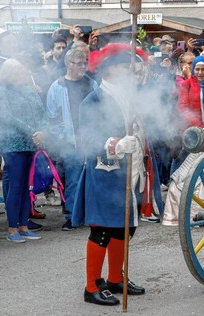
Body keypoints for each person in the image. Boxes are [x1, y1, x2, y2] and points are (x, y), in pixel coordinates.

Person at [73, 43, 150, 306]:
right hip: (107, 173)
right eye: (121, 65)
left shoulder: (131, 96)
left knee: (124, 229)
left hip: (133, 170)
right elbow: (88, 139)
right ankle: (92, 285)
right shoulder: (93, 100)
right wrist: (114, 144)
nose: (128, 70)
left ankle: (115, 278)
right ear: (108, 70)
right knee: (103, 230)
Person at [0, 59, 47, 243]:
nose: (19, 75)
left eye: (20, 71)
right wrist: (32, 131)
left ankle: (24, 225)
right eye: (14, 72)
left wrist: (42, 132)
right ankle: (12, 228)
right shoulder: (1, 93)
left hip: (30, 144)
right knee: (16, 187)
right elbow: (6, 117)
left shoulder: (30, 91)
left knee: (27, 187)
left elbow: (41, 113)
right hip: (13, 145)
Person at [46, 49, 98, 230]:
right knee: (73, 179)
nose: (84, 66)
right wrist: (61, 138)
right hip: (70, 140)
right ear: (68, 64)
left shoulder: (92, 84)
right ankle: (72, 215)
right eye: (79, 63)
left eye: (85, 63)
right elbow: (51, 116)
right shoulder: (57, 86)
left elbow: (101, 110)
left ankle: (90, 214)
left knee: (92, 178)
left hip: (91, 139)